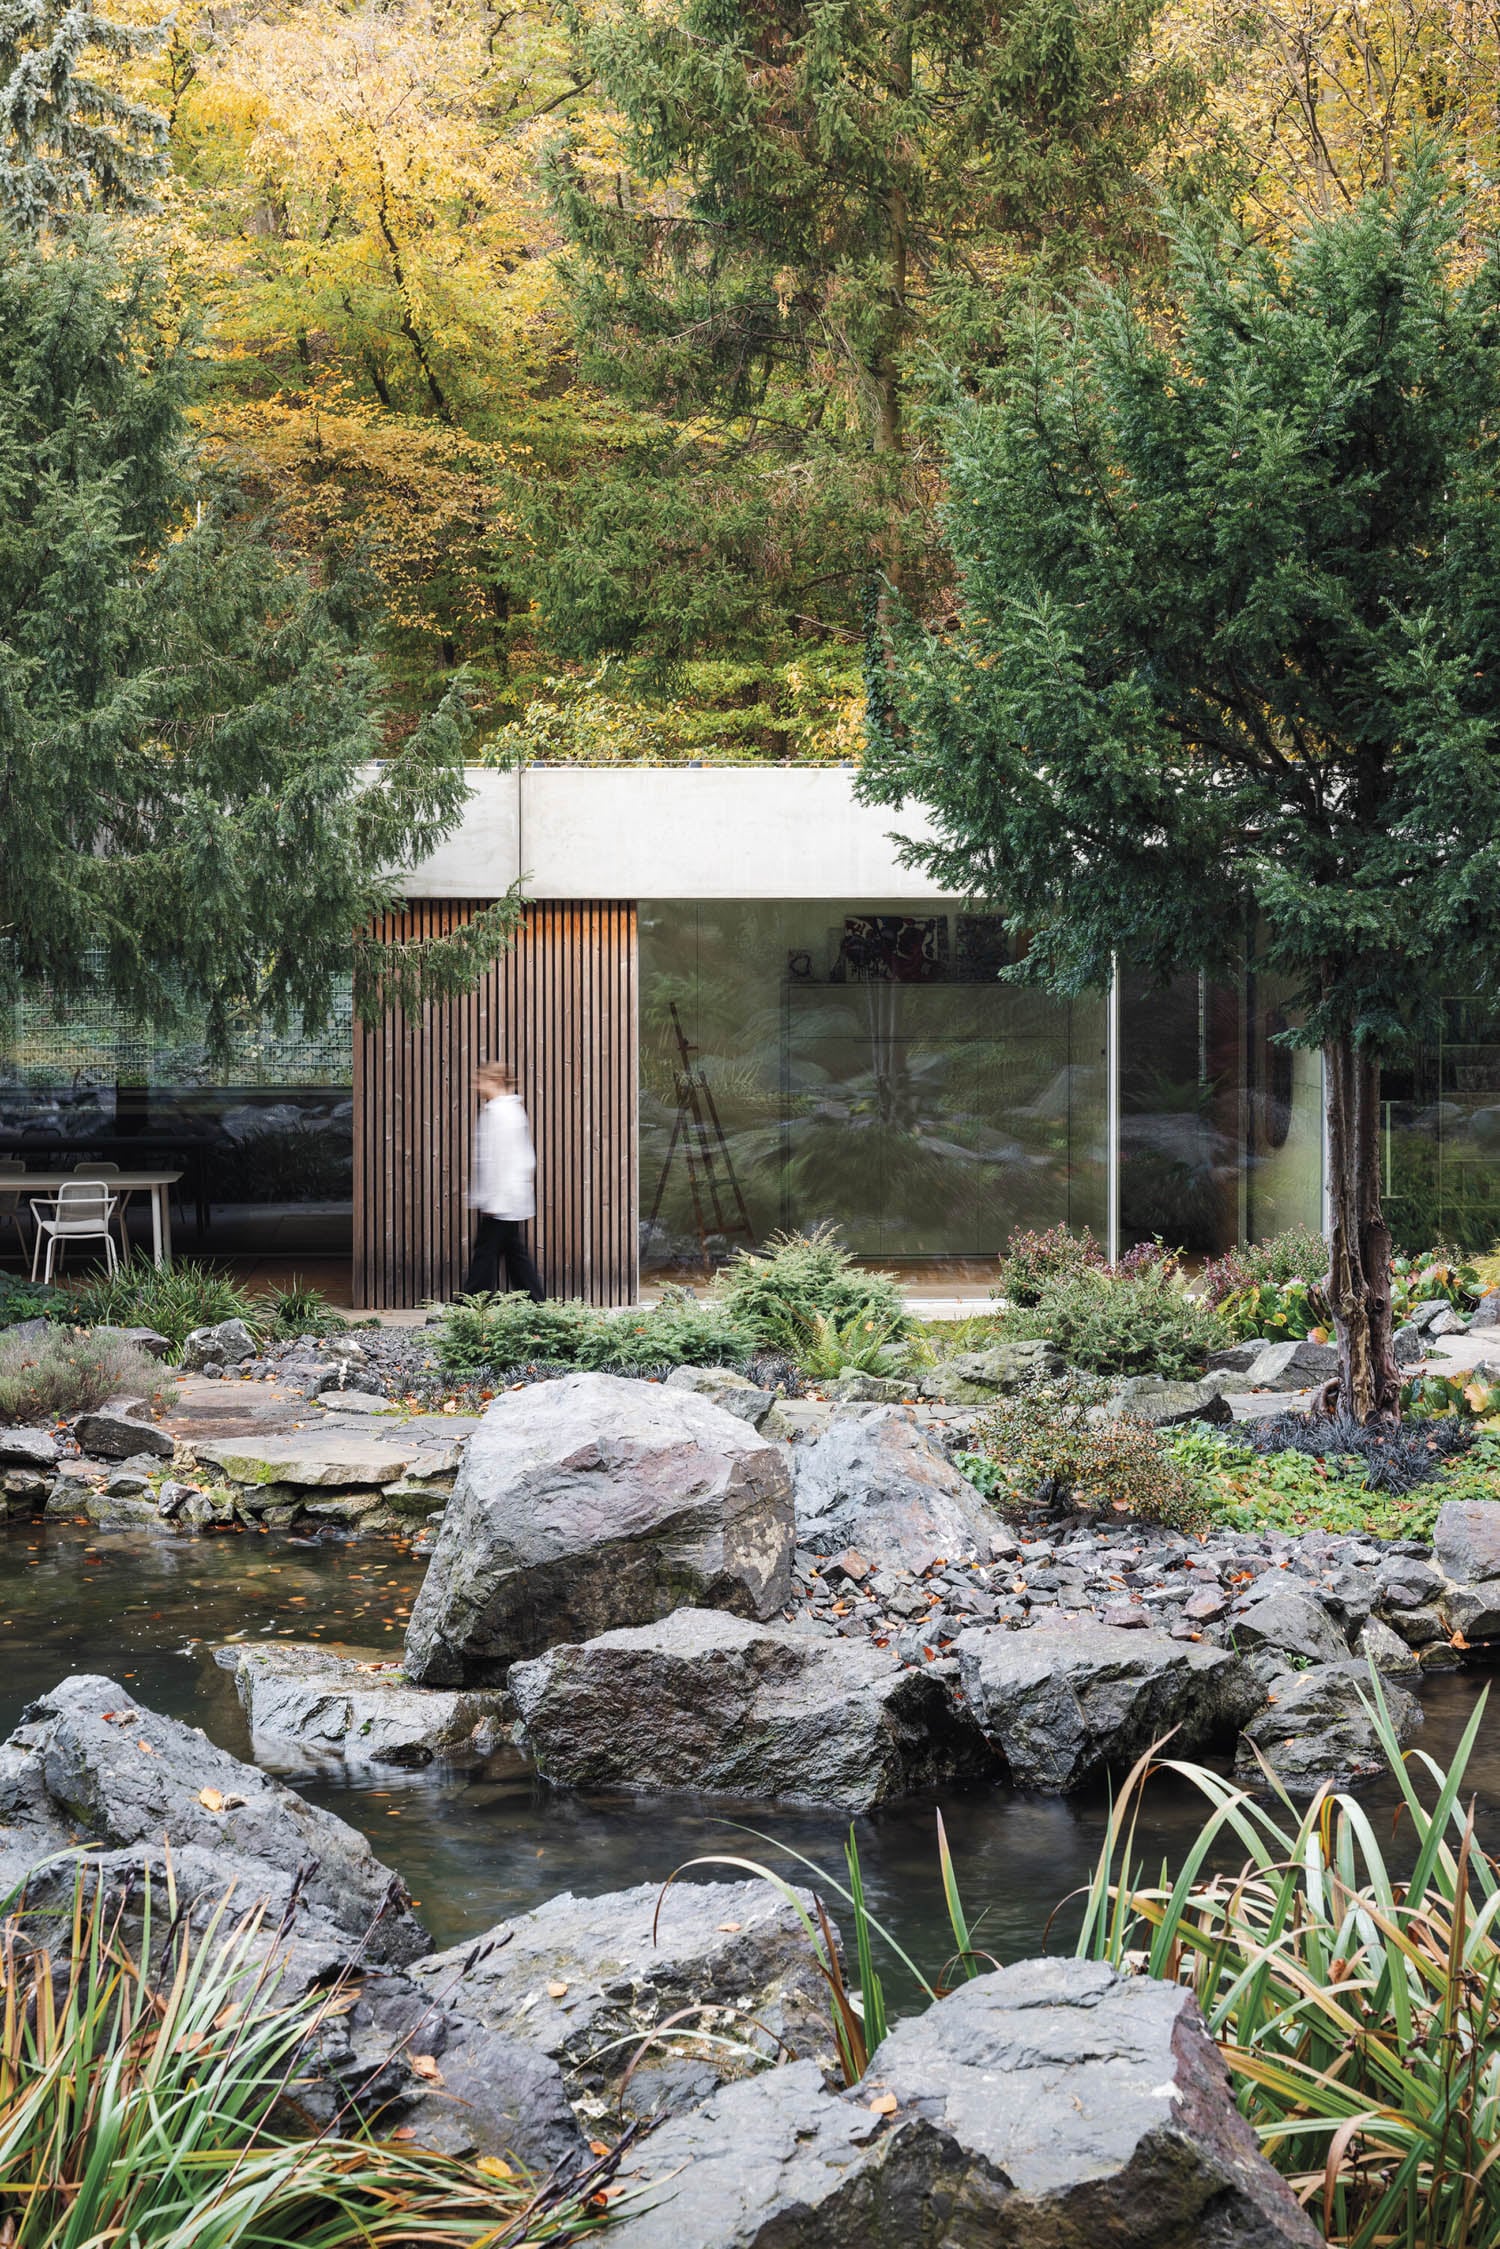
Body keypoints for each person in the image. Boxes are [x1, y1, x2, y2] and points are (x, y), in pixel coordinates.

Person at [464, 1061, 545, 1300]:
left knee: (486, 1253)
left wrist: (494, 1200)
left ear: (496, 1082)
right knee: (514, 1256)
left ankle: (468, 1304)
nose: (476, 1086)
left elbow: (501, 1160)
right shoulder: (505, 1111)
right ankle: (537, 1303)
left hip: (503, 1199)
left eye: (481, 1081)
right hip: (506, 1199)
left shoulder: (502, 1113)